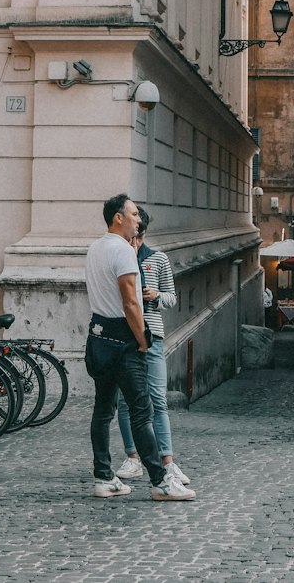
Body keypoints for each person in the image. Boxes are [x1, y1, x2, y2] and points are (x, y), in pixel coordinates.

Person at [84, 192, 195, 501]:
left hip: (97, 335)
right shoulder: (123, 251)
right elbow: (131, 302)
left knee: (103, 410)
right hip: (123, 338)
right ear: (118, 217)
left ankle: (104, 476)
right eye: (133, 214)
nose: (138, 219)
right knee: (141, 411)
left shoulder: (95, 248)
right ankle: (160, 481)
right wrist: (142, 340)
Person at [114, 208, 190, 486]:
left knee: (158, 400)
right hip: (124, 335)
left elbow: (172, 298)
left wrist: (156, 296)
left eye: (140, 234)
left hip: (153, 334)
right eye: (134, 234)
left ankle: (167, 460)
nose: (136, 240)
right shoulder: (117, 255)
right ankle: (132, 457)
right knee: (125, 401)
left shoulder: (158, 259)